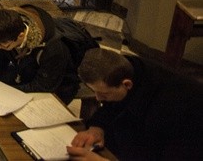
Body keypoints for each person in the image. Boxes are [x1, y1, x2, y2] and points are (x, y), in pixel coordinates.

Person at [0, 5, 81, 149]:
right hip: (27, 72)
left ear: (21, 36)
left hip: (57, 86)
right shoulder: (6, 35)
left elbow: (43, 87)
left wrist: (5, 92)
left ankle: (7, 135)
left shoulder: (54, 49)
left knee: (3, 99)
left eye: (4, 44)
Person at [66, 48, 203, 161]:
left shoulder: (170, 106)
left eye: (104, 94)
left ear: (127, 84)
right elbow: (112, 107)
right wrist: (97, 128)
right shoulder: (126, 68)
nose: (97, 98)